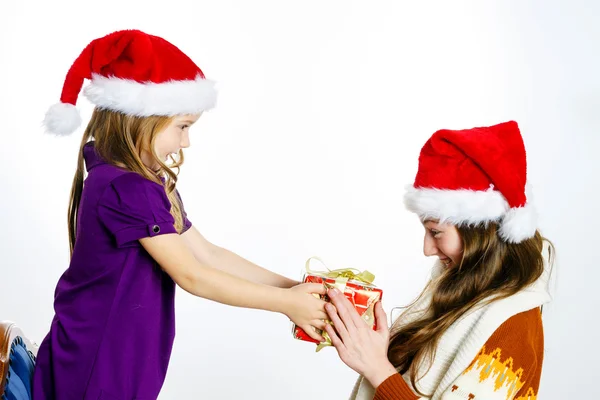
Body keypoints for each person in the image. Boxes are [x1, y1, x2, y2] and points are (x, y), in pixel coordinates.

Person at [32, 29, 327, 400]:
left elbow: (207, 254)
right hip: (99, 364)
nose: (186, 142)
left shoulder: (136, 181)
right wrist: (287, 304)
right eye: (182, 127)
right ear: (141, 118)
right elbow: (192, 274)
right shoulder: (127, 187)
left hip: (112, 357)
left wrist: (291, 288)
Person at [323, 121, 553, 399]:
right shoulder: (459, 290)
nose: (427, 249)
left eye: (435, 232)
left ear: (479, 230)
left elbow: (387, 378)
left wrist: (377, 369)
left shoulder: (513, 330)